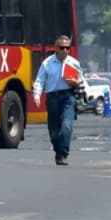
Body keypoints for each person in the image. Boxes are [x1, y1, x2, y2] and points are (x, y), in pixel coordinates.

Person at [32, 35, 83, 166]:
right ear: (56, 48)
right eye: (62, 48)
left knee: (67, 125)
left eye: (67, 48)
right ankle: (58, 150)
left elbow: (82, 81)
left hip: (68, 96)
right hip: (52, 97)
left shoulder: (74, 63)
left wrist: (75, 83)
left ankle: (63, 154)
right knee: (53, 129)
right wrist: (37, 95)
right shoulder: (47, 63)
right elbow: (39, 80)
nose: (65, 51)